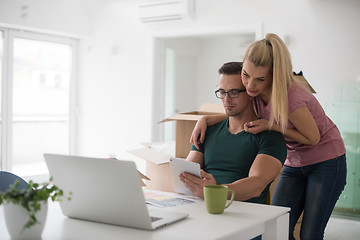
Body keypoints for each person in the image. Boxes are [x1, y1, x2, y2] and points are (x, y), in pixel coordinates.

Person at [190, 34, 347, 240]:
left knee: (310, 233)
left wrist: (272, 125)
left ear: (274, 75)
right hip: (296, 160)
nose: (250, 85)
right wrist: (206, 120)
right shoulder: (255, 93)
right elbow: (237, 110)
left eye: (260, 79)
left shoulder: (291, 97)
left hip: (326, 159)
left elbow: (313, 138)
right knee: (278, 224)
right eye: (246, 75)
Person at [180, 61, 287, 205]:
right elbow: (186, 173)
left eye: (234, 92)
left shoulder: (270, 136)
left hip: (242, 214)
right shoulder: (207, 130)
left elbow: (257, 185)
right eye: (222, 92)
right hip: (201, 207)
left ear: (251, 93)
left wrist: (215, 190)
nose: (226, 99)